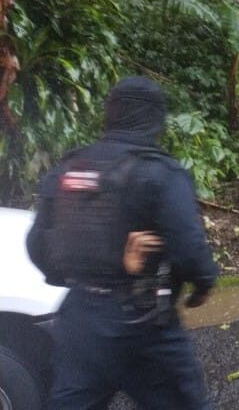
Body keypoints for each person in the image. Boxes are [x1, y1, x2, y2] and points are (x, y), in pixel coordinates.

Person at [26, 76, 219, 410]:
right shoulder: (161, 173)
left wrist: (79, 282)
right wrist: (203, 284)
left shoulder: (68, 169)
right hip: (143, 324)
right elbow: (190, 247)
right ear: (155, 119)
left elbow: (36, 245)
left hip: (80, 317)